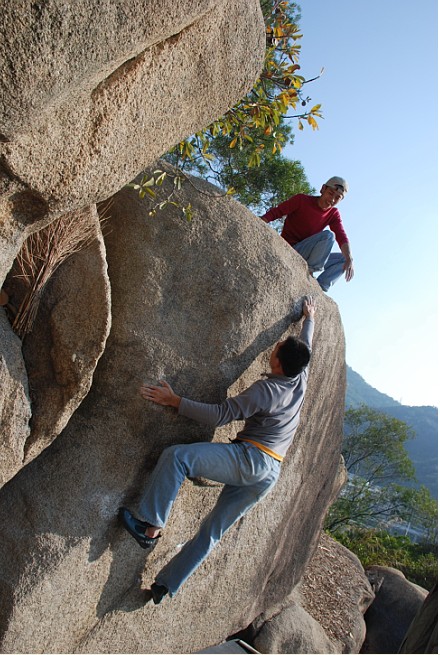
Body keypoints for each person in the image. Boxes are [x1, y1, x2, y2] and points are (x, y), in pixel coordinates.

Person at [119, 297, 316, 605]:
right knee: (212, 531)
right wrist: (309, 318)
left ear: (277, 364)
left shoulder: (266, 391)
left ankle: (150, 528)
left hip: (251, 459)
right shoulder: (299, 377)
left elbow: (220, 415)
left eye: (278, 347)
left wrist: (175, 401)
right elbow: (307, 347)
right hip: (269, 474)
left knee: (177, 457)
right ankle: (166, 586)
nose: (275, 346)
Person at [261, 176, 354, 292]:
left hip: (309, 256)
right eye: (330, 193)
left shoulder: (333, 214)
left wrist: (349, 258)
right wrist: (259, 221)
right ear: (323, 189)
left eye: (337, 198)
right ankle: (308, 271)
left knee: (344, 259)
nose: (332, 200)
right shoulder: (302, 200)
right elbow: (277, 212)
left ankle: (319, 287)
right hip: (291, 250)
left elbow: (341, 235)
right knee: (328, 236)